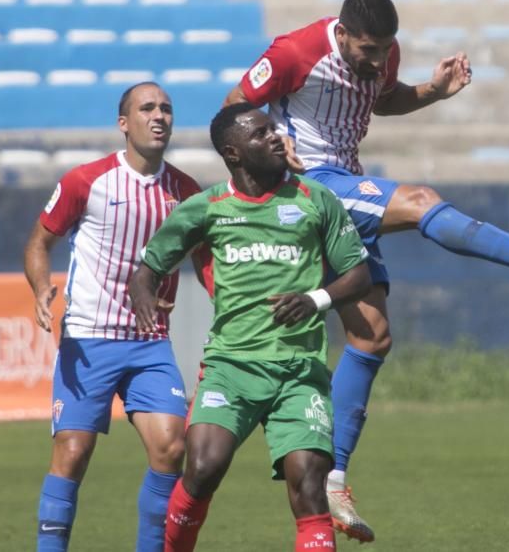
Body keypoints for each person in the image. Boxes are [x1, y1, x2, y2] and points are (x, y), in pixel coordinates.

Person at [222, 0, 509, 541]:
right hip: (309, 185)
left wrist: (433, 90)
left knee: (372, 338)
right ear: (343, 33)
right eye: (368, 50)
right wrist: (278, 146)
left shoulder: (385, 55)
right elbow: (233, 109)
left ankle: (331, 477)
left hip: (343, 184)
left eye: (385, 50)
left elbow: (382, 98)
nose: (378, 61)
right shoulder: (294, 52)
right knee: (422, 199)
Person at [129, 103, 372, 552]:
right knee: (202, 467)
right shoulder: (206, 208)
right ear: (234, 153)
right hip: (231, 366)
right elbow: (147, 268)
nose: (276, 137)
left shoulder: (315, 199)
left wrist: (315, 299)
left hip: (299, 371)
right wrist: (143, 297)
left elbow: (359, 275)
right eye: (261, 134)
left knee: (309, 483)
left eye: (274, 128)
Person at [24, 82, 206, 552]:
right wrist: (41, 288)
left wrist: (227, 301)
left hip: (150, 343)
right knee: (73, 451)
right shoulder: (87, 181)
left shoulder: (186, 192)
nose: (159, 115)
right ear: (124, 123)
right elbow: (40, 242)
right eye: (147, 108)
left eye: (167, 107)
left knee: (171, 448)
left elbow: (206, 261)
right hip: (89, 338)